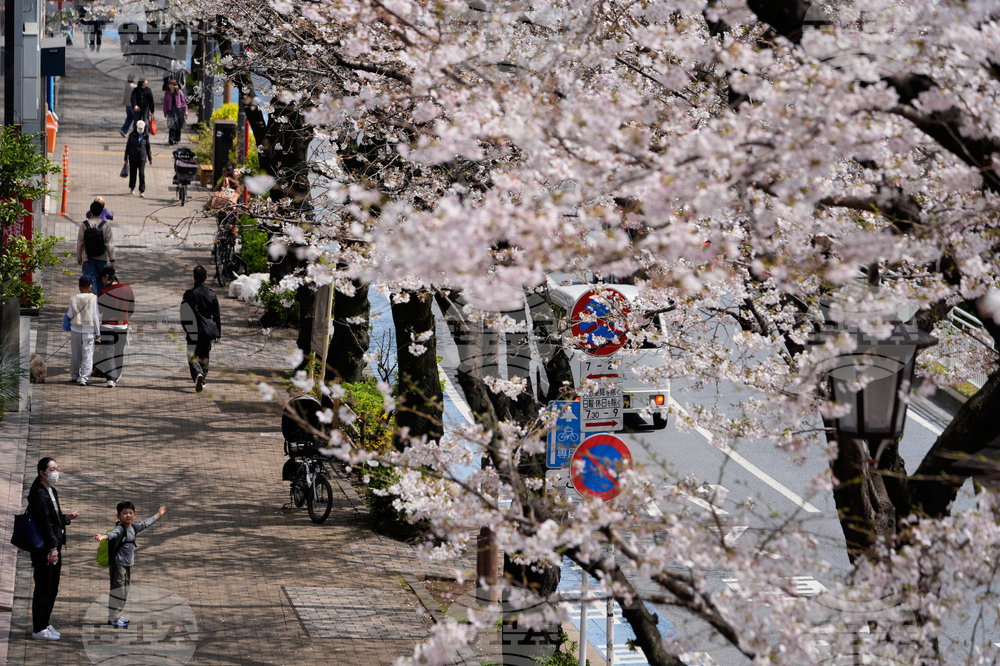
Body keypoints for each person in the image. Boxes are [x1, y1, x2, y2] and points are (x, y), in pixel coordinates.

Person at [27, 457, 80, 640]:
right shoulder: (39, 494)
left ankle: (45, 623)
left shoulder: (51, 491)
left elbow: (53, 517)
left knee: (52, 587)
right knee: (43, 587)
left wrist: (66, 518)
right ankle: (38, 629)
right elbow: (43, 523)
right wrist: (52, 547)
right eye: (52, 469)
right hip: (45, 549)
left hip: (54, 546)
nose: (55, 472)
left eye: (57, 468)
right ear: (42, 473)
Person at [93, 502, 166, 628]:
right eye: (124, 513)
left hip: (128, 564)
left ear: (134, 515)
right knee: (118, 590)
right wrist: (103, 537)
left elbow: (146, 523)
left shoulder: (134, 527)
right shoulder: (120, 529)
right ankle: (113, 618)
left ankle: (117, 615)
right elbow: (112, 534)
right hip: (118, 565)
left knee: (124, 590)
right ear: (118, 516)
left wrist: (158, 514)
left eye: (130, 513)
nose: (128, 515)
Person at [182, 266, 220, 393]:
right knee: (204, 355)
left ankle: (198, 374)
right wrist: (218, 333)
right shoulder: (212, 294)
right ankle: (202, 378)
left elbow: (183, 313)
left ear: (194, 278)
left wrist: (186, 328)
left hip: (192, 329)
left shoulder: (188, 294)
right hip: (206, 331)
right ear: (206, 277)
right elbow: (216, 316)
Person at [96, 266, 135, 388]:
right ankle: (117, 375)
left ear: (106, 276)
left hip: (107, 326)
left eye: (102, 278)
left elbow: (99, 311)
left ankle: (110, 379)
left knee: (108, 352)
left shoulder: (103, 293)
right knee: (119, 351)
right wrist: (125, 318)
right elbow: (131, 308)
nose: (101, 281)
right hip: (122, 326)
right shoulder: (127, 289)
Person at [68, 276, 101, 386]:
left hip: (75, 330)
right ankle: (84, 378)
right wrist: (98, 332)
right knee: (87, 355)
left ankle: (74, 375)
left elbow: (70, 314)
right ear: (89, 286)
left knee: (76, 354)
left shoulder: (73, 298)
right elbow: (95, 317)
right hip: (88, 330)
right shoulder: (93, 298)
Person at [77, 202, 115, 293]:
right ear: (102, 211)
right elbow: (109, 243)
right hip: (102, 257)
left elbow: (80, 243)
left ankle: (92, 301)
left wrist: (79, 257)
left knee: (90, 282)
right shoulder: (105, 225)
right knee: (102, 281)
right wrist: (112, 259)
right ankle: (100, 302)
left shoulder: (84, 225)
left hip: (87, 257)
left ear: (90, 211)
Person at [124, 120, 152, 197]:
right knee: (133, 173)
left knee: (142, 174)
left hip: (142, 158)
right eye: (139, 128)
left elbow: (148, 148)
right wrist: (125, 158)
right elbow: (128, 147)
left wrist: (150, 158)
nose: (140, 130)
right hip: (133, 157)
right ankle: (132, 188)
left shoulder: (146, 137)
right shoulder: (132, 135)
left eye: (141, 128)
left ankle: (142, 190)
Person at [162, 78, 188, 146]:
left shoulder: (179, 92)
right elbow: (165, 103)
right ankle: (171, 138)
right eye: (170, 85)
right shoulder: (167, 93)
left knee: (178, 125)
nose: (171, 86)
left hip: (178, 110)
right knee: (171, 124)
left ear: (175, 85)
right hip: (170, 110)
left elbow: (183, 101)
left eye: (172, 85)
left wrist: (185, 110)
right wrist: (165, 112)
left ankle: (177, 138)